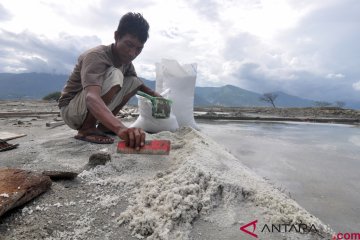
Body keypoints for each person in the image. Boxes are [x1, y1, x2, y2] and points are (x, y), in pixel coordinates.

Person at [58, 12, 161, 149]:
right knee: (116, 74)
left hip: (87, 108)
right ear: (117, 36)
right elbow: (91, 97)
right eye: (129, 45)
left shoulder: (126, 62)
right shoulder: (96, 56)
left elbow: (138, 85)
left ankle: (104, 126)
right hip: (71, 110)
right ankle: (87, 129)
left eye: (138, 48)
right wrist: (121, 128)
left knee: (134, 81)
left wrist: (156, 96)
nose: (132, 53)